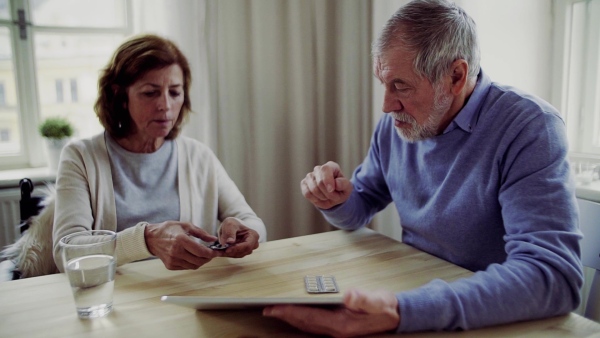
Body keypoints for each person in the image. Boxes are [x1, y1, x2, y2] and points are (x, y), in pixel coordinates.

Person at [263, 0, 582, 335]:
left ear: (455, 76)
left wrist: (404, 310)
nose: (386, 105)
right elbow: (360, 207)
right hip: (418, 294)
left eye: (401, 85)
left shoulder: (530, 127)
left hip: (493, 317)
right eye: (383, 83)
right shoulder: (398, 125)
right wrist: (336, 199)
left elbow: (553, 276)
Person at [52, 34, 266, 272]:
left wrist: (247, 231)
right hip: (117, 296)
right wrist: (146, 240)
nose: (165, 105)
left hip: (189, 292)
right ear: (120, 96)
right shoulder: (81, 157)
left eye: (175, 92)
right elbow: (66, 252)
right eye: (150, 93)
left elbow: (252, 222)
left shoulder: (198, 156)